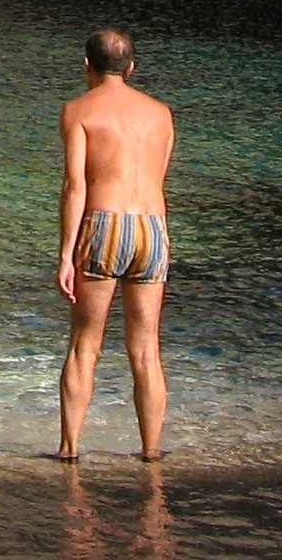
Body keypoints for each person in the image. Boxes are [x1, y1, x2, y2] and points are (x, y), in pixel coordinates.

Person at [54, 25, 174, 464]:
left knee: (85, 346)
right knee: (146, 349)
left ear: (87, 65)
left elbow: (74, 187)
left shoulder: (79, 111)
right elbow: (158, 175)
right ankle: (151, 452)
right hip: (152, 227)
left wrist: (67, 253)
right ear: (131, 68)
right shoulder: (162, 114)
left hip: (103, 226)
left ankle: (69, 451)